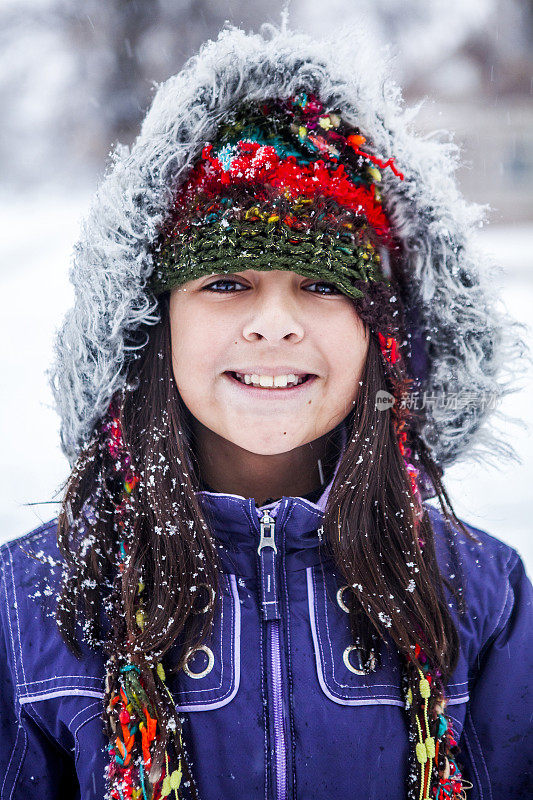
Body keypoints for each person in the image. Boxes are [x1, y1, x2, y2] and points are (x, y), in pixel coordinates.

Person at [0, 21, 531, 800]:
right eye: (225, 283)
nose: (275, 323)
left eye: (321, 286)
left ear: (380, 336)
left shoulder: (477, 593)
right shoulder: (33, 600)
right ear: (151, 328)